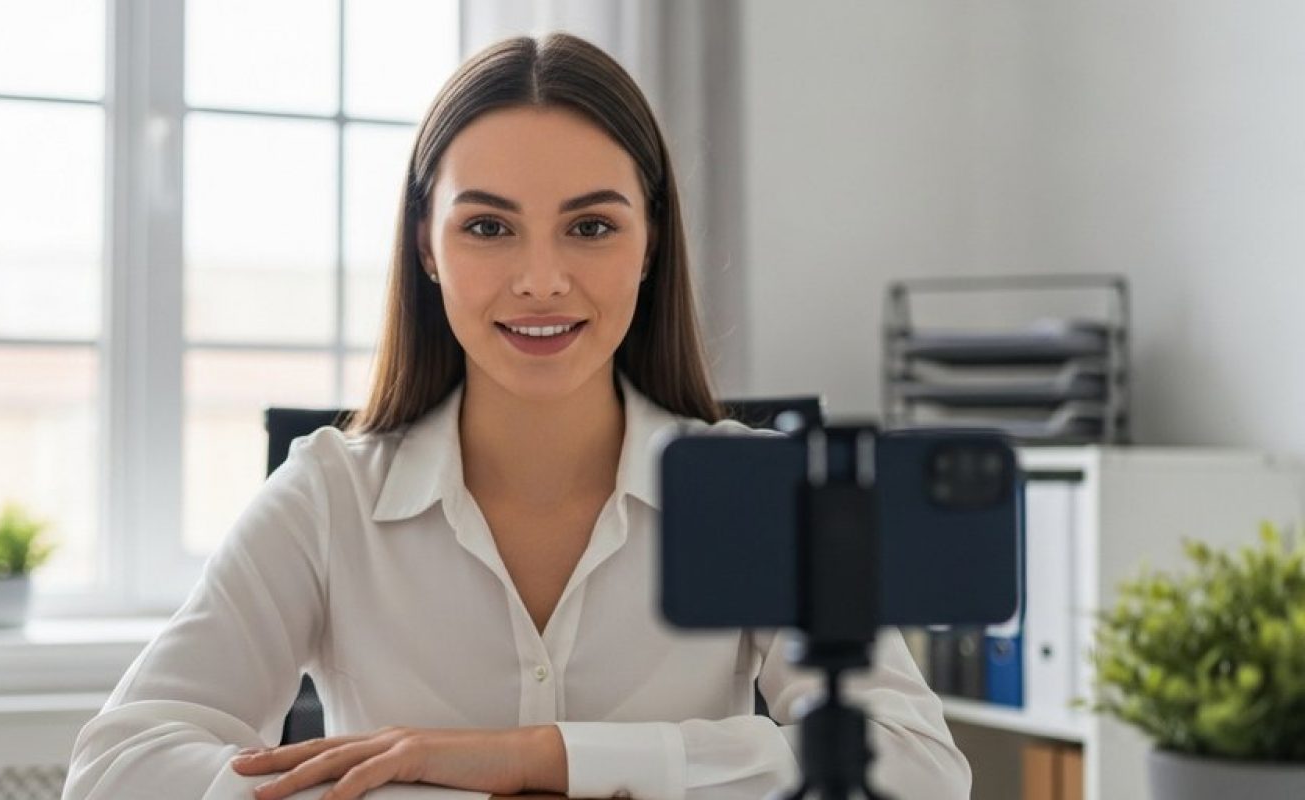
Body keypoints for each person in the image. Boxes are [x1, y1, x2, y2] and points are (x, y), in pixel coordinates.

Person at [62, 33, 970, 800]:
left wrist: (544, 758)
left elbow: (920, 768)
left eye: (591, 227)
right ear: (427, 244)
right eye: (489, 228)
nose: (541, 279)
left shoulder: (752, 495)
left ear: (651, 241)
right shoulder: (329, 496)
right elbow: (116, 766)